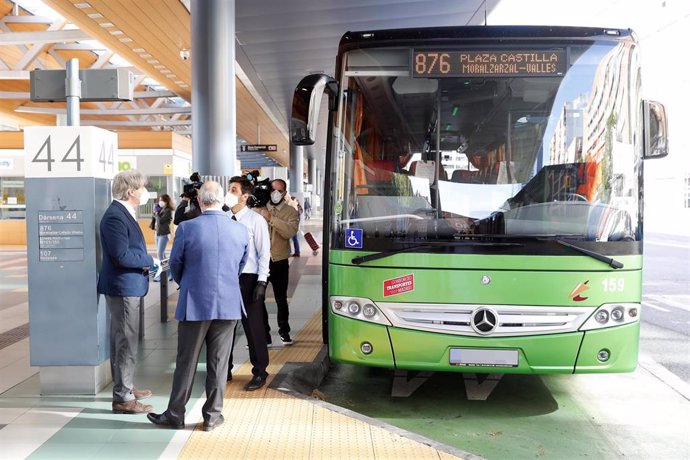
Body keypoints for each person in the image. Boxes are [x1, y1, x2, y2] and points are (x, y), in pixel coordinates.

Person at [148, 181, 248, 432]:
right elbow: (240, 266)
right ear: (221, 200)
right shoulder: (239, 230)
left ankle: (175, 414)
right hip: (228, 303)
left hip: (195, 303)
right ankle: (213, 416)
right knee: (219, 363)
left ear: (200, 201)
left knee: (187, 360)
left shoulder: (187, 228)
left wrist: (190, 283)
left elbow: (177, 264)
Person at [97, 170, 159, 415]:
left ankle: (126, 387)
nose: (145, 192)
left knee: (123, 340)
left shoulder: (123, 213)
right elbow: (121, 256)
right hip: (123, 287)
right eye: (142, 187)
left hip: (128, 286)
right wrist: (149, 260)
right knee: (126, 342)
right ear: (131, 191)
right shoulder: (115, 216)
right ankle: (123, 398)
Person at [225, 176, 271, 390]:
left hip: (249, 279)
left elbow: (264, 254)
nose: (229, 192)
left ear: (245, 196)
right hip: (226, 278)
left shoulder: (256, 221)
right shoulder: (224, 218)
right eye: (229, 189)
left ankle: (260, 371)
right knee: (224, 325)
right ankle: (225, 368)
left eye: (233, 189)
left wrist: (262, 282)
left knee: (253, 327)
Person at [259, 179, 299, 345]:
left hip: (280, 261)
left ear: (284, 192)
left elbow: (289, 232)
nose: (276, 193)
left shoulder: (290, 211)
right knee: (258, 299)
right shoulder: (259, 209)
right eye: (273, 189)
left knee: (281, 299)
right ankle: (264, 334)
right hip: (261, 262)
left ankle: (284, 331)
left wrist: (271, 219)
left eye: (280, 190)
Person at [153, 194, 174, 282]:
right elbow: (156, 220)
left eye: (162, 200)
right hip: (158, 233)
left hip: (164, 234)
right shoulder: (161, 210)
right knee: (163, 255)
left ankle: (161, 275)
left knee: (160, 254)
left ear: (166, 201)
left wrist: (157, 213)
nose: (160, 202)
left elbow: (161, 221)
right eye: (159, 200)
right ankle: (170, 273)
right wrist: (155, 212)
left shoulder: (168, 210)